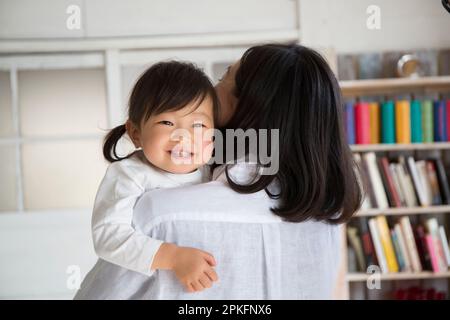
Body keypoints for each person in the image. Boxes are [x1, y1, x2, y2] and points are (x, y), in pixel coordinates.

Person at [74, 44, 362, 299]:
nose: (212, 87)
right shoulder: (326, 219)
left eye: (225, 77)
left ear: (248, 106)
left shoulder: (160, 212)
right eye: (167, 123)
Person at [91, 61, 220, 293]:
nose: (183, 137)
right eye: (167, 122)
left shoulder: (212, 175)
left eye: (199, 124)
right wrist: (174, 257)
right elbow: (108, 236)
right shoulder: (129, 174)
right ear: (136, 133)